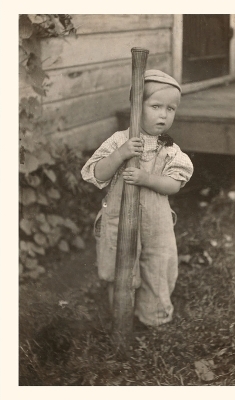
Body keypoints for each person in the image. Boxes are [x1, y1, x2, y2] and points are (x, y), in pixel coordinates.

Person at [81, 70, 193, 327]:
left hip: (156, 224)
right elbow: (95, 173)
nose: (164, 115)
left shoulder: (169, 149)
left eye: (171, 109)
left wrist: (147, 179)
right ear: (136, 106)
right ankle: (121, 316)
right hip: (120, 220)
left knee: (156, 267)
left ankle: (153, 319)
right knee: (120, 265)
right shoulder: (120, 140)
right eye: (156, 106)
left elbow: (175, 183)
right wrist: (120, 155)